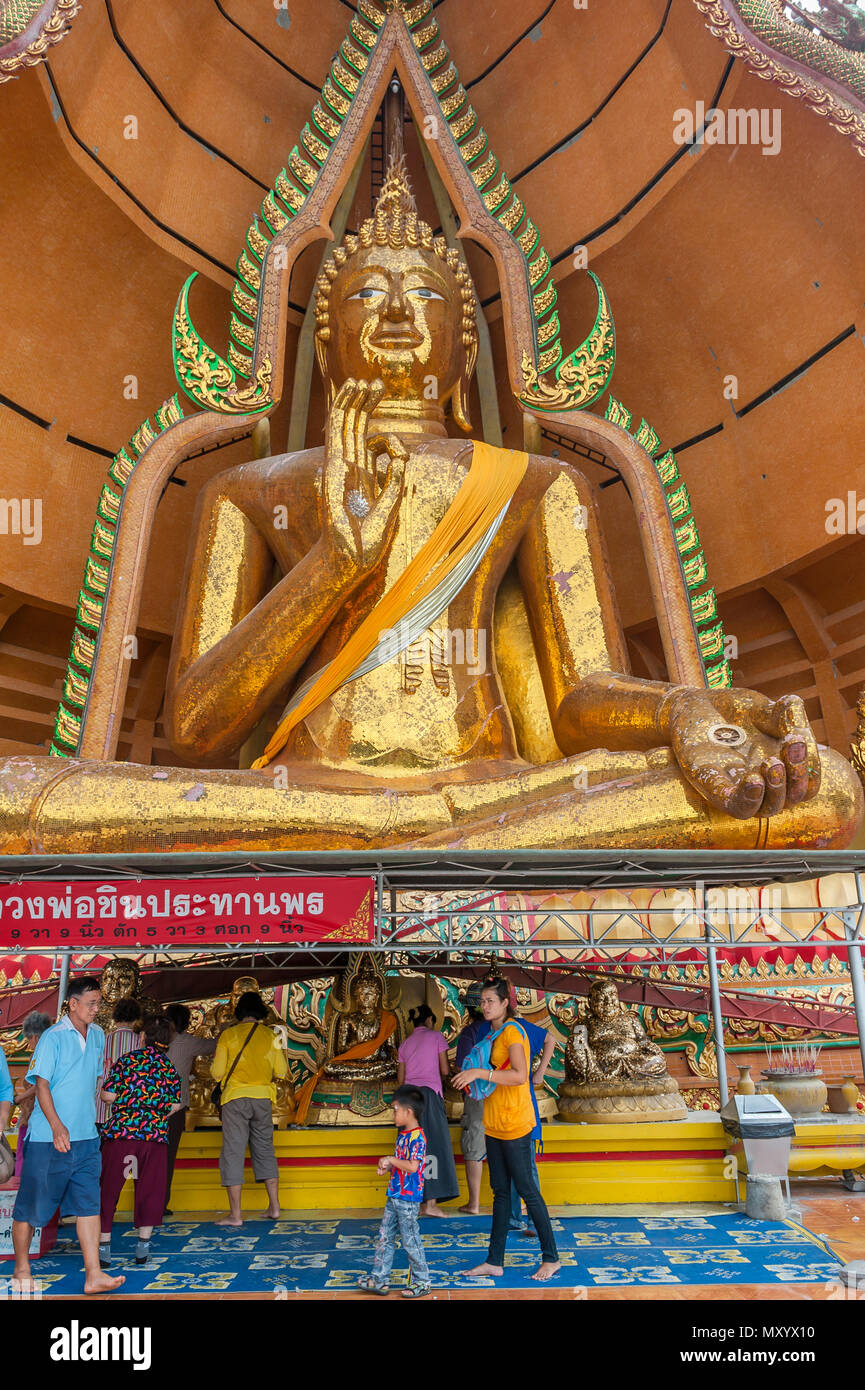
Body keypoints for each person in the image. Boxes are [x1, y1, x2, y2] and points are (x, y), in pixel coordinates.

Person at [11, 976, 124, 1295]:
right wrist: (58, 1125)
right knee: (31, 1208)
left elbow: (91, 1078)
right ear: (72, 1004)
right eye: (91, 1003)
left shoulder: (100, 1035)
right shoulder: (53, 1037)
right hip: (49, 1140)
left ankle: (94, 1275)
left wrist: (103, 1097)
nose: (95, 1009)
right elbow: (42, 1084)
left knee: (90, 1205)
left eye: (98, 1003)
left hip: (87, 1138)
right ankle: (22, 1269)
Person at [453, 976, 560, 1283]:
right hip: (496, 1124)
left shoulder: (513, 1031)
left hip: (516, 1123)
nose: (485, 1006)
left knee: (528, 1191)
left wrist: (477, 1071)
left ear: (504, 1003)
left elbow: (518, 1075)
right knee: (500, 1193)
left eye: (491, 1001)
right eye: (482, 1001)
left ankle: (551, 1258)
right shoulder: (495, 1032)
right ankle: (494, 1260)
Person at [98, 1013, 183, 1266]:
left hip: (122, 1136)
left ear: (142, 1037)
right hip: (153, 1138)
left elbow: (106, 1096)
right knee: (149, 1191)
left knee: (108, 1190)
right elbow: (175, 1105)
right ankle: (142, 1250)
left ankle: (103, 1248)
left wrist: (129, 1102)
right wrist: (154, 1109)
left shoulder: (127, 1061)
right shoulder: (169, 1067)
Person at [211, 990, 287, 1228]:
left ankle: (235, 1215)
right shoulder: (272, 1035)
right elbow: (282, 1072)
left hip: (235, 1098)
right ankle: (274, 1206)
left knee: (233, 1152)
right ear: (261, 1012)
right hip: (263, 1098)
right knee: (264, 1148)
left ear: (239, 1012)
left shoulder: (229, 1035)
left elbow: (217, 1073)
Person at [358, 1084, 431, 1299]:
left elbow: (412, 1166)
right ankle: (379, 1279)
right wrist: (388, 1165)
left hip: (408, 1199)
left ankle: (422, 1281)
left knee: (411, 1240)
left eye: (395, 1109)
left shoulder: (418, 1137)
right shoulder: (403, 1135)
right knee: (385, 1236)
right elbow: (401, 1163)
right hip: (394, 1194)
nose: (393, 1114)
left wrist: (391, 1160)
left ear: (409, 1112)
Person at [397, 1003, 458, 1218]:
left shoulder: (404, 1044)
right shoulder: (436, 1037)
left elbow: (400, 1079)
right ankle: (430, 1203)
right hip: (429, 1097)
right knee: (432, 1147)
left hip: (407, 1100)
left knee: (411, 1148)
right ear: (430, 1020)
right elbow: (444, 1069)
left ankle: (413, 1201)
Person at [163, 1002, 217, 1214]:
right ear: (185, 1023)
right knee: (167, 1156)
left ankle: (146, 1201)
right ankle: (161, 1203)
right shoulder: (187, 1041)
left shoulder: (152, 1041)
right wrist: (228, 1030)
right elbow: (214, 1045)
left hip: (150, 1106)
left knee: (148, 1157)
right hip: (175, 1108)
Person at [454, 984, 487, 1215]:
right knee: (505, 1145)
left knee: (475, 1145)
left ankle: (474, 1203)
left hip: (477, 1095)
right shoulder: (506, 1028)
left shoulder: (471, 1032)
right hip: (504, 1093)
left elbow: (460, 1066)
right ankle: (514, 1202)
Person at [12, 1011, 52, 1179]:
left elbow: (39, 1085)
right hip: (43, 1116)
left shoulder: (39, 1055)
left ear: (35, 1036)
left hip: (33, 1116)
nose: (28, 1044)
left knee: (23, 1155)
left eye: (28, 1039)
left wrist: (18, 1098)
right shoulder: (52, 1052)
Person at [95, 998, 142, 1131]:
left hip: (101, 1107)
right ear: (136, 1019)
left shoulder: (103, 1041)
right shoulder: (140, 1043)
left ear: (115, 1019)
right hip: (129, 1107)